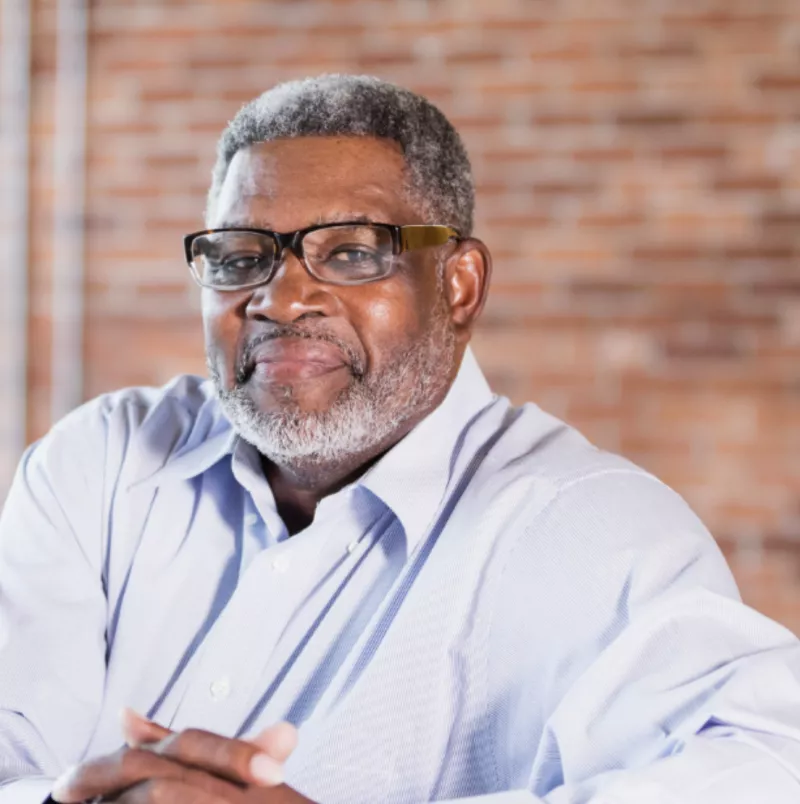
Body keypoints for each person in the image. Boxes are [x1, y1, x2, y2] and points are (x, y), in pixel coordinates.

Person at [1, 74, 799, 804]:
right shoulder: (101, 466)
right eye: (243, 256)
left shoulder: (585, 524)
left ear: (459, 284)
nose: (280, 299)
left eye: (350, 252)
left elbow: (769, 765)